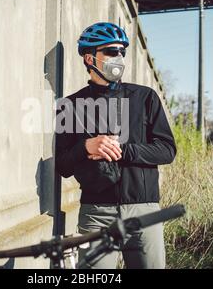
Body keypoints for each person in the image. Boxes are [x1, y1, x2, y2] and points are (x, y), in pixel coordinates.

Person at [55, 22, 176, 269]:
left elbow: (167, 150)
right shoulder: (69, 105)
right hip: (96, 214)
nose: (119, 57)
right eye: (111, 51)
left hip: (143, 210)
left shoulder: (145, 97)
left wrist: (124, 150)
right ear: (90, 57)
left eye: (122, 52)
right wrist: (85, 147)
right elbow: (62, 165)